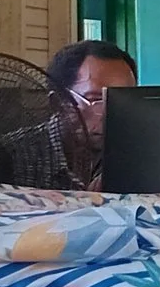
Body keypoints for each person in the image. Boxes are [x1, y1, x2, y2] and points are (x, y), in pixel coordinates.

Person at [50, 40, 138, 186]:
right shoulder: (12, 156)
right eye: (97, 100)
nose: (112, 113)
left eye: (125, 100)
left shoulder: (142, 152)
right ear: (58, 103)